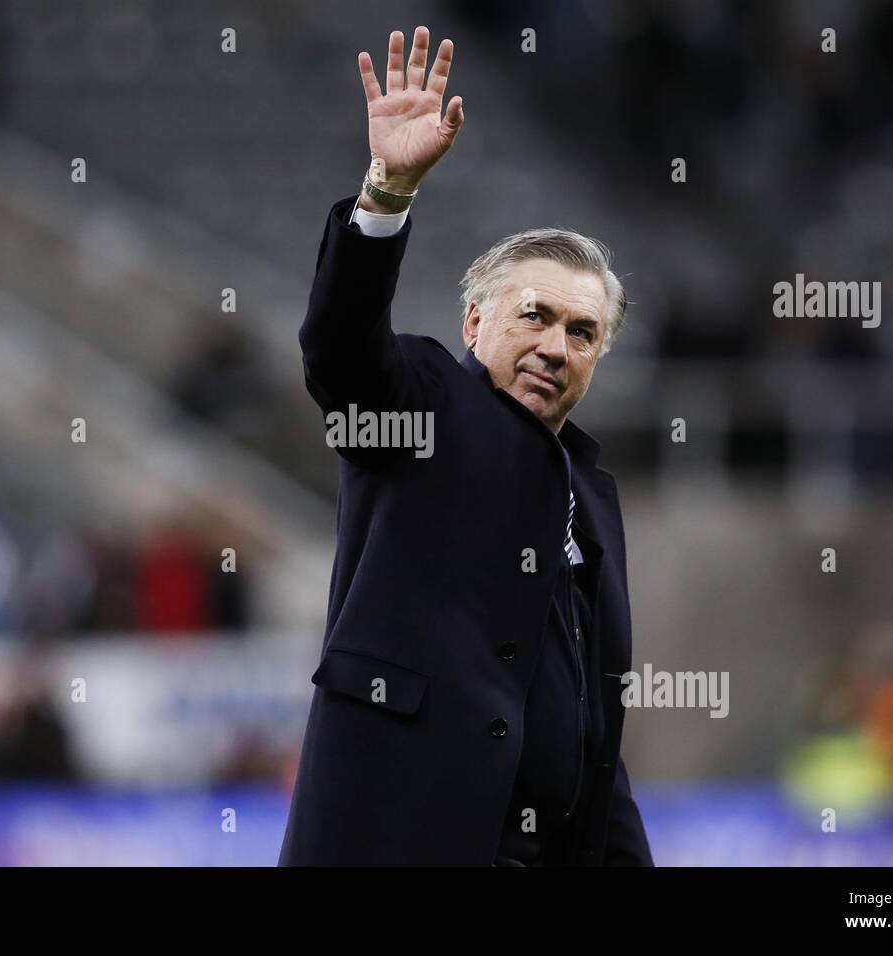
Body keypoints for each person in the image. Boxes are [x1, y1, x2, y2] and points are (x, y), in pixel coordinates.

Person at [280, 27, 652, 866]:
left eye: (583, 332)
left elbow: (597, 736)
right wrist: (388, 192)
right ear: (475, 322)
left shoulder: (592, 499)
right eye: (537, 316)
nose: (557, 346)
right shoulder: (422, 400)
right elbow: (339, 353)